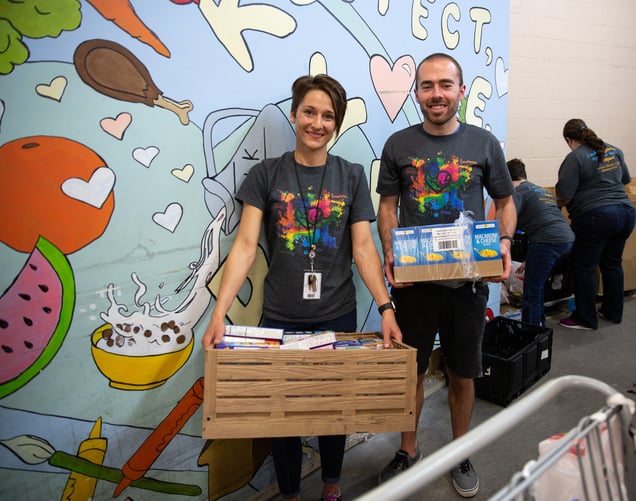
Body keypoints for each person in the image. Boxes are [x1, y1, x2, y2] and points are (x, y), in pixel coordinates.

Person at [201, 74, 402, 501]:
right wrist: (218, 314)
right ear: (294, 115)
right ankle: (290, 493)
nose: (318, 122)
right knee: (285, 419)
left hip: (337, 315)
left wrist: (386, 309)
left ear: (337, 124)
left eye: (328, 116)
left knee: (333, 411)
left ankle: (331, 485)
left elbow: (364, 250)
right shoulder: (265, 174)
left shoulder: (349, 176)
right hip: (280, 318)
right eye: (309, 112)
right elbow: (244, 247)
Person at [375, 53, 516, 498]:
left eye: (445, 85)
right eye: (427, 85)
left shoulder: (485, 144)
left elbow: (506, 201)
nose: (436, 94)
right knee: (410, 373)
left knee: (462, 373)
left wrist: (506, 242)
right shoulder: (398, 144)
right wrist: (390, 252)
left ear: (461, 90)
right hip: (415, 287)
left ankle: (460, 451)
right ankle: (409, 449)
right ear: (416, 92)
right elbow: (387, 208)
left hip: (467, 285)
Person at [555, 118, 635, 330]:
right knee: (612, 263)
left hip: (596, 217)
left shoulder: (575, 158)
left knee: (584, 267)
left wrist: (554, 209)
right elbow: (625, 180)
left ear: (568, 139)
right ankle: (612, 312)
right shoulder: (614, 150)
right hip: (626, 214)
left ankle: (585, 318)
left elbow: (564, 195)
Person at [506, 158, 575, 326]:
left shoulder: (517, 193)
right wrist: (531, 258)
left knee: (532, 290)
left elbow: (508, 222)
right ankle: (538, 325)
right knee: (538, 285)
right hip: (567, 239)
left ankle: (532, 332)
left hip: (547, 242)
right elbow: (542, 221)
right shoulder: (541, 190)